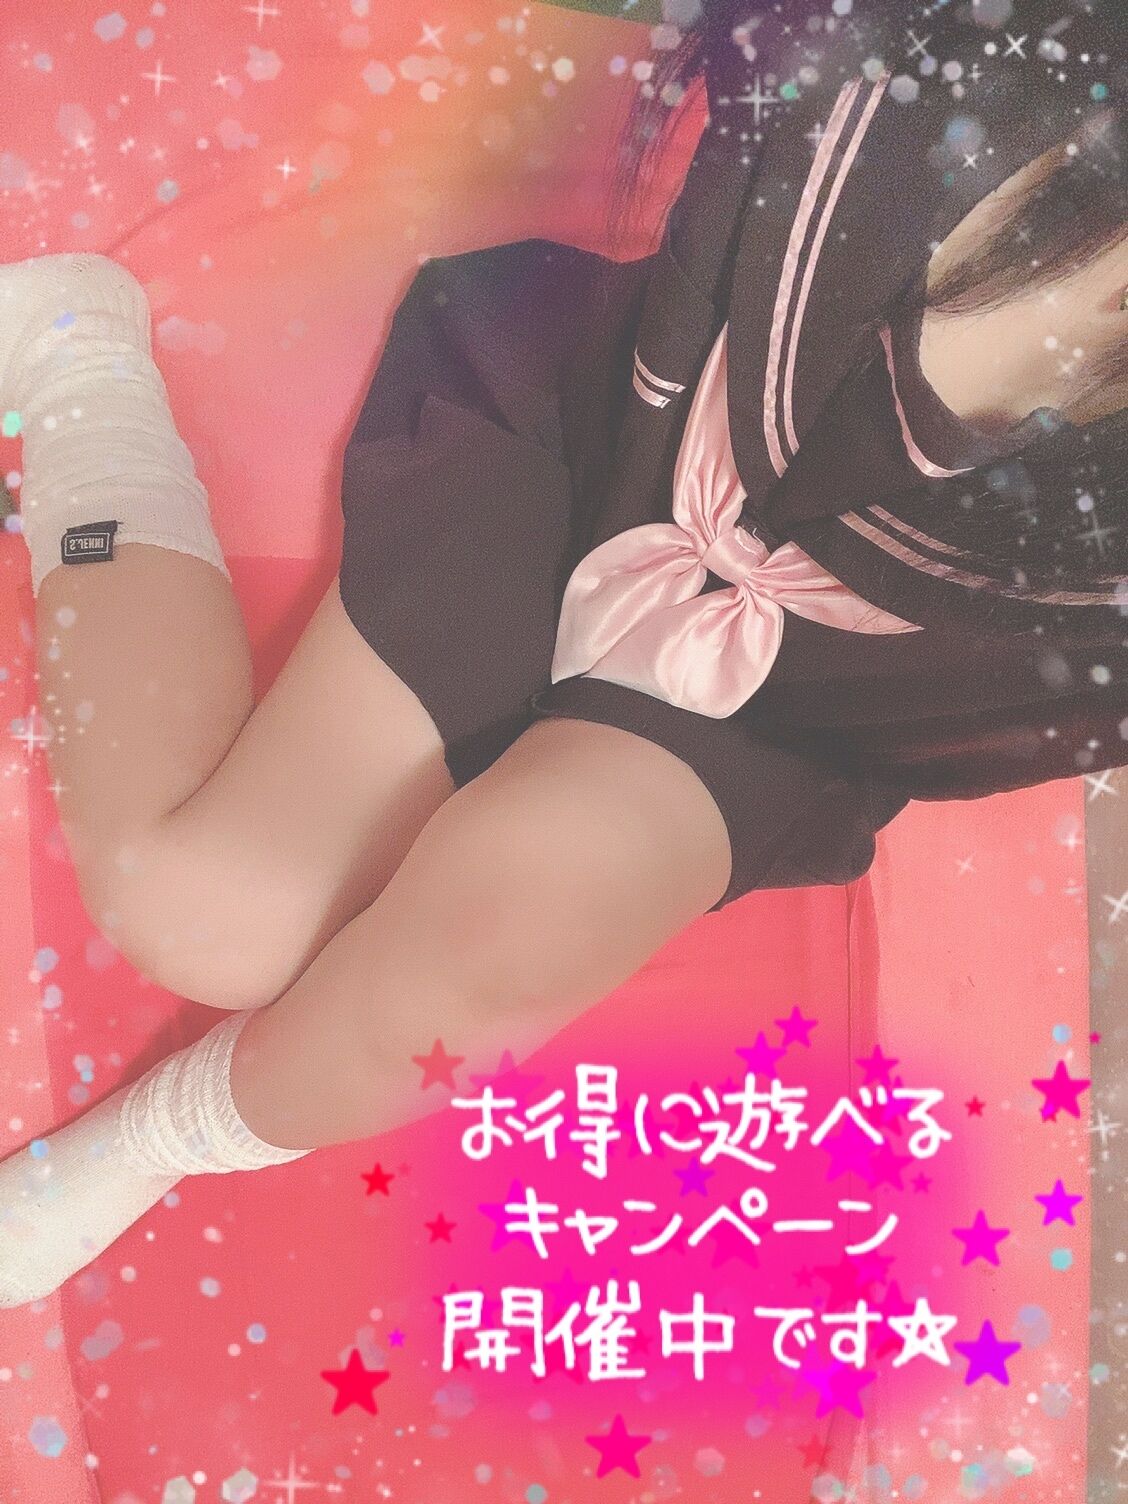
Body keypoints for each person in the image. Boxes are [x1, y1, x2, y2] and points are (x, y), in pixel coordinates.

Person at [0, 0, 1124, 1307]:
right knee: (208, 918)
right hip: (612, 457)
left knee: (483, 956)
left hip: (810, 687)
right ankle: (78, 363)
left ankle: (159, 1142)